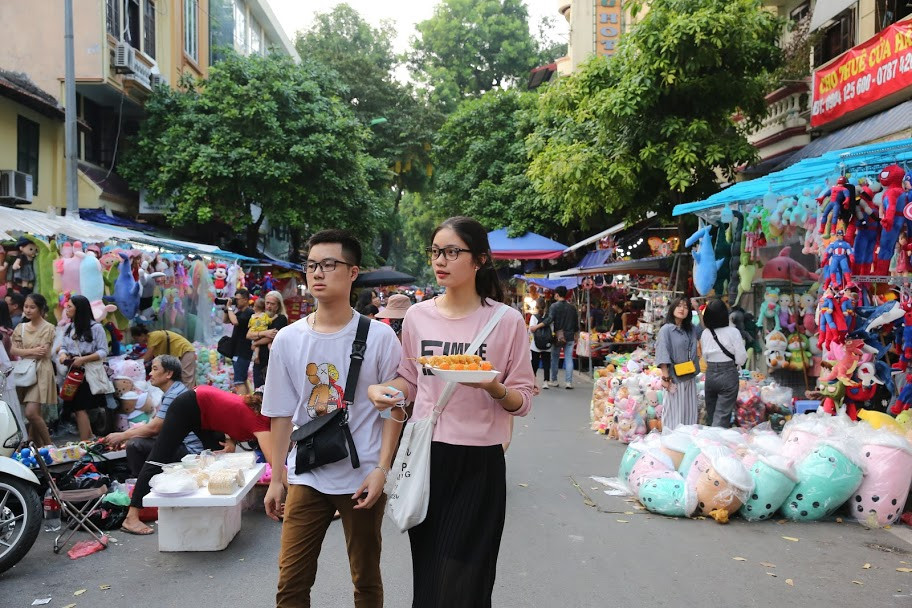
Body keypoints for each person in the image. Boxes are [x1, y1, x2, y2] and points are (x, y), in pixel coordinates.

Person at [368, 216, 534, 607]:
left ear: (479, 260)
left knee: (464, 581)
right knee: (430, 574)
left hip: (481, 464)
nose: (440, 260)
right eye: (436, 251)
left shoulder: (506, 322)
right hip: (428, 457)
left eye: (452, 252)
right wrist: (384, 390)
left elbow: (523, 399)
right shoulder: (417, 316)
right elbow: (410, 380)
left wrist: (493, 387)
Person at [262, 229, 404, 608]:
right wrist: (277, 478)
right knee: (291, 582)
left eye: (329, 264)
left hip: (362, 477)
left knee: (366, 579)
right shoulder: (288, 339)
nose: (317, 273)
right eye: (311, 265)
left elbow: (394, 409)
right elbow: (278, 414)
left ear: (353, 272)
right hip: (307, 471)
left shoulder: (380, 337)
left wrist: (382, 469)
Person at [120, 384, 273, 535]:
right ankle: (131, 517)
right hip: (188, 405)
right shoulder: (260, 421)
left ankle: (211, 510)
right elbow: (275, 462)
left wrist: (231, 441)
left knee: (215, 459)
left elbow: (233, 417)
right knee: (159, 457)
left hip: (203, 410)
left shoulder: (257, 413)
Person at [101, 355, 211, 480]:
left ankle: (141, 484)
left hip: (190, 451)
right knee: (138, 440)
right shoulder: (176, 390)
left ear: (168, 373)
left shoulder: (173, 395)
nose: (151, 373)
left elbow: (154, 429)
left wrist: (122, 436)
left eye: (155, 369)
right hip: (184, 445)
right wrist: (126, 433)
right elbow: (155, 424)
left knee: (135, 445)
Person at [55, 295, 111, 440]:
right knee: (76, 407)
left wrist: (84, 359)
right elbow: (63, 347)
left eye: (69, 307)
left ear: (79, 309)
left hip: (88, 372)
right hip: (72, 372)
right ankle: (89, 438)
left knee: (79, 407)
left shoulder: (96, 327)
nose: (66, 309)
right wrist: (62, 356)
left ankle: (85, 441)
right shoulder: (68, 327)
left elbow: (103, 351)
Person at [9, 293, 55, 447]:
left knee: (31, 412)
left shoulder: (48, 328)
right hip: (24, 372)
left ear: (41, 309)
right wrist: (32, 351)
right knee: (34, 413)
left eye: (32, 307)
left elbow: (43, 352)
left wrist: (24, 352)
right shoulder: (21, 327)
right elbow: (13, 350)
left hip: (41, 371)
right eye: (26, 307)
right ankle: (38, 445)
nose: (28, 310)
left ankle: (49, 445)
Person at [655, 296, 701, 430]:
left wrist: (698, 309)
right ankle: (670, 443)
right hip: (674, 378)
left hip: (690, 376)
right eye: (679, 306)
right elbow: (663, 352)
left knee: (690, 413)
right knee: (673, 415)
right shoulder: (666, 329)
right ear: (673, 308)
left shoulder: (690, 329)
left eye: (686, 307)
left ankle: (685, 443)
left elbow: (704, 329)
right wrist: (665, 378)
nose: (682, 309)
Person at [700, 299, 747, 428]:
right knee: (721, 415)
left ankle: (709, 440)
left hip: (710, 374)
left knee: (712, 412)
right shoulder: (733, 332)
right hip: (728, 373)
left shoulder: (705, 333)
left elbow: (704, 356)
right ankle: (716, 444)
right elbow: (741, 358)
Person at [531, 285, 579, 389]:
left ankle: (554, 380)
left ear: (557, 294)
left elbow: (549, 320)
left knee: (555, 358)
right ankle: (568, 382)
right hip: (570, 336)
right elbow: (576, 323)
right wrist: (576, 335)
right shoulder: (572, 307)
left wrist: (537, 326)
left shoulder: (554, 306)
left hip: (558, 337)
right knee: (569, 358)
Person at [130, 325, 198, 387]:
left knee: (186, 377)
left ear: (142, 335)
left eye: (136, 339)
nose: (137, 342)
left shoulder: (153, 337)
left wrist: (134, 363)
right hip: (179, 354)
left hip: (185, 351)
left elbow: (148, 356)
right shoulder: (151, 342)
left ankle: (189, 398)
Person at [247, 290, 288, 388]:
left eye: (272, 304)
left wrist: (256, 343)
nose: (269, 306)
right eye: (267, 303)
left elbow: (272, 337)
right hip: (258, 361)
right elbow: (248, 335)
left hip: (271, 362)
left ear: (278, 305)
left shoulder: (281, 318)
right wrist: (264, 333)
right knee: (258, 391)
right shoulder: (260, 317)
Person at [224, 287, 253, 394]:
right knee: (243, 380)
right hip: (238, 351)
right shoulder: (240, 312)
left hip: (243, 352)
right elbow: (226, 320)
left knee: (239, 382)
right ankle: (250, 403)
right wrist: (226, 308)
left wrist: (230, 308)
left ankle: (243, 404)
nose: (235, 301)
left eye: (238, 299)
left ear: (245, 300)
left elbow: (235, 322)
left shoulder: (249, 312)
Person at [529, 300, 552, 390]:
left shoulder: (534, 317)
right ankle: (546, 381)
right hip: (547, 344)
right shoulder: (549, 318)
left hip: (535, 344)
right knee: (546, 363)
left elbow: (531, 329)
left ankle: (533, 381)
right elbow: (552, 329)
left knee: (534, 363)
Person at [247, 297, 272, 366]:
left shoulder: (252, 316)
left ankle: (256, 355)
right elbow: (268, 321)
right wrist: (273, 318)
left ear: (255, 307)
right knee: (269, 342)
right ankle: (271, 351)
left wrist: (251, 327)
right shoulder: (264, 315)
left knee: (256, 345)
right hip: (264, 331)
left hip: (254, 332)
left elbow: (250, 324)